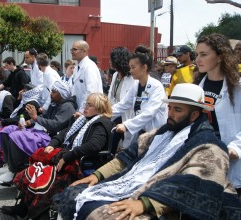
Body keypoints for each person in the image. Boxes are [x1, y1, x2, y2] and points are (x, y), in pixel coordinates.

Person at [54, 83, 241, 220]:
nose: (170, 113)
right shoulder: (162, 132)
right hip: (131, 187)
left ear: (194, 114)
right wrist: (97, 175)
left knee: (106, 216)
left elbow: (191, 185)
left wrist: (144, 203)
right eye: (169, 108)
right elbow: (126, 158)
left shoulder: (209, 146)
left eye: (177, 109)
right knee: (75, 191)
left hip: (163, 203)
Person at [0, 93, 113, 219]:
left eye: (90, 105)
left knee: (44, 176)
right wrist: (52, 144)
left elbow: (93, 146)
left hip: (80, 165)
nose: (85, 107)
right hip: (66, 157)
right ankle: (23, 206)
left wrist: (67, 157)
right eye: (86, 104)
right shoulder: (83, 120)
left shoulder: (102, 123)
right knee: (36, 168)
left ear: (100, 108)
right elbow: (64, 133)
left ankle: (38, 212)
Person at [0, 81, 76, 183]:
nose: (51, 94)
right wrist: (29, 122)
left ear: (62, 94)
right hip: (38, 130)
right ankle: (9, 164)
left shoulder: (67, 107)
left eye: (54, 92)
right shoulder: (54, 104)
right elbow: (43, 117)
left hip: (49, 136)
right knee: (6, 131)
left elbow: (55, 125)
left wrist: (35, 118)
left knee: (16, 136)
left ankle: (13, 171)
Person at [194, 33, 241, 195]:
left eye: (204, 55)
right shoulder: (196, 87)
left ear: (220, 57)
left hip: (231, 161)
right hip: (203, 159)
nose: (198, 60)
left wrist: (235, 148)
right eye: (197, 55)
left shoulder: (237, 87)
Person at [112, 45, 167, 144]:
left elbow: (150, 112)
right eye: (130, 68)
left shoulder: (156, 86)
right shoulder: (136, 84)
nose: (130, 71)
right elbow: (123, 104)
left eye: (133, 67)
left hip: (155, 134)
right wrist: (105, 113)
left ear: (144, 67)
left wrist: (126, 125)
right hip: (141, 132)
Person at [107, 47, 134, 148]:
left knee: (126, 143)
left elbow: (127, 101)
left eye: (112, 59)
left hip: (126, 114)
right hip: (114, 114)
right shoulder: (114, 75)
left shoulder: (131, 77)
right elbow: (111, 96)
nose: (110, 61)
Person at [70, 40, 103, 117]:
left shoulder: (89, 67)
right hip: (80, 110)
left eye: (74, 49)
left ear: (84, 51)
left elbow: (91, 91)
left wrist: (82, 111)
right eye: (71, 50)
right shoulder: (76, 68)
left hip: (90, 112)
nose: (72, 52)